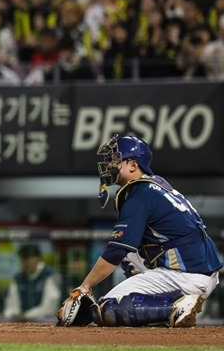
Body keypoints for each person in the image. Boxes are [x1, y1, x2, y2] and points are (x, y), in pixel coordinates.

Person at [72, 134, 224, 327]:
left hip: (187, 274)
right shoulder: (155, 185)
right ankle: (161, 311)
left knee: (107, 308)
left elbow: (115, 250)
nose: (110, 165)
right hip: (198, 270)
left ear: (133, 165)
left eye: (115, 160)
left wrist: (85, 287)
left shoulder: (140, 193)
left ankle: (176, 307)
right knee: (131, 255)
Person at [3, 244, 61, 322]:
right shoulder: (18, 278)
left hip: (45, 319)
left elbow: (49, 308)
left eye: (29, 258)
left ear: (38, 258)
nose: (26, 262)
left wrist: (27, 315)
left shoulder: (49, 275)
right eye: (23, 259)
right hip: (21, 320)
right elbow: (11, 305)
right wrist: (13, 314)